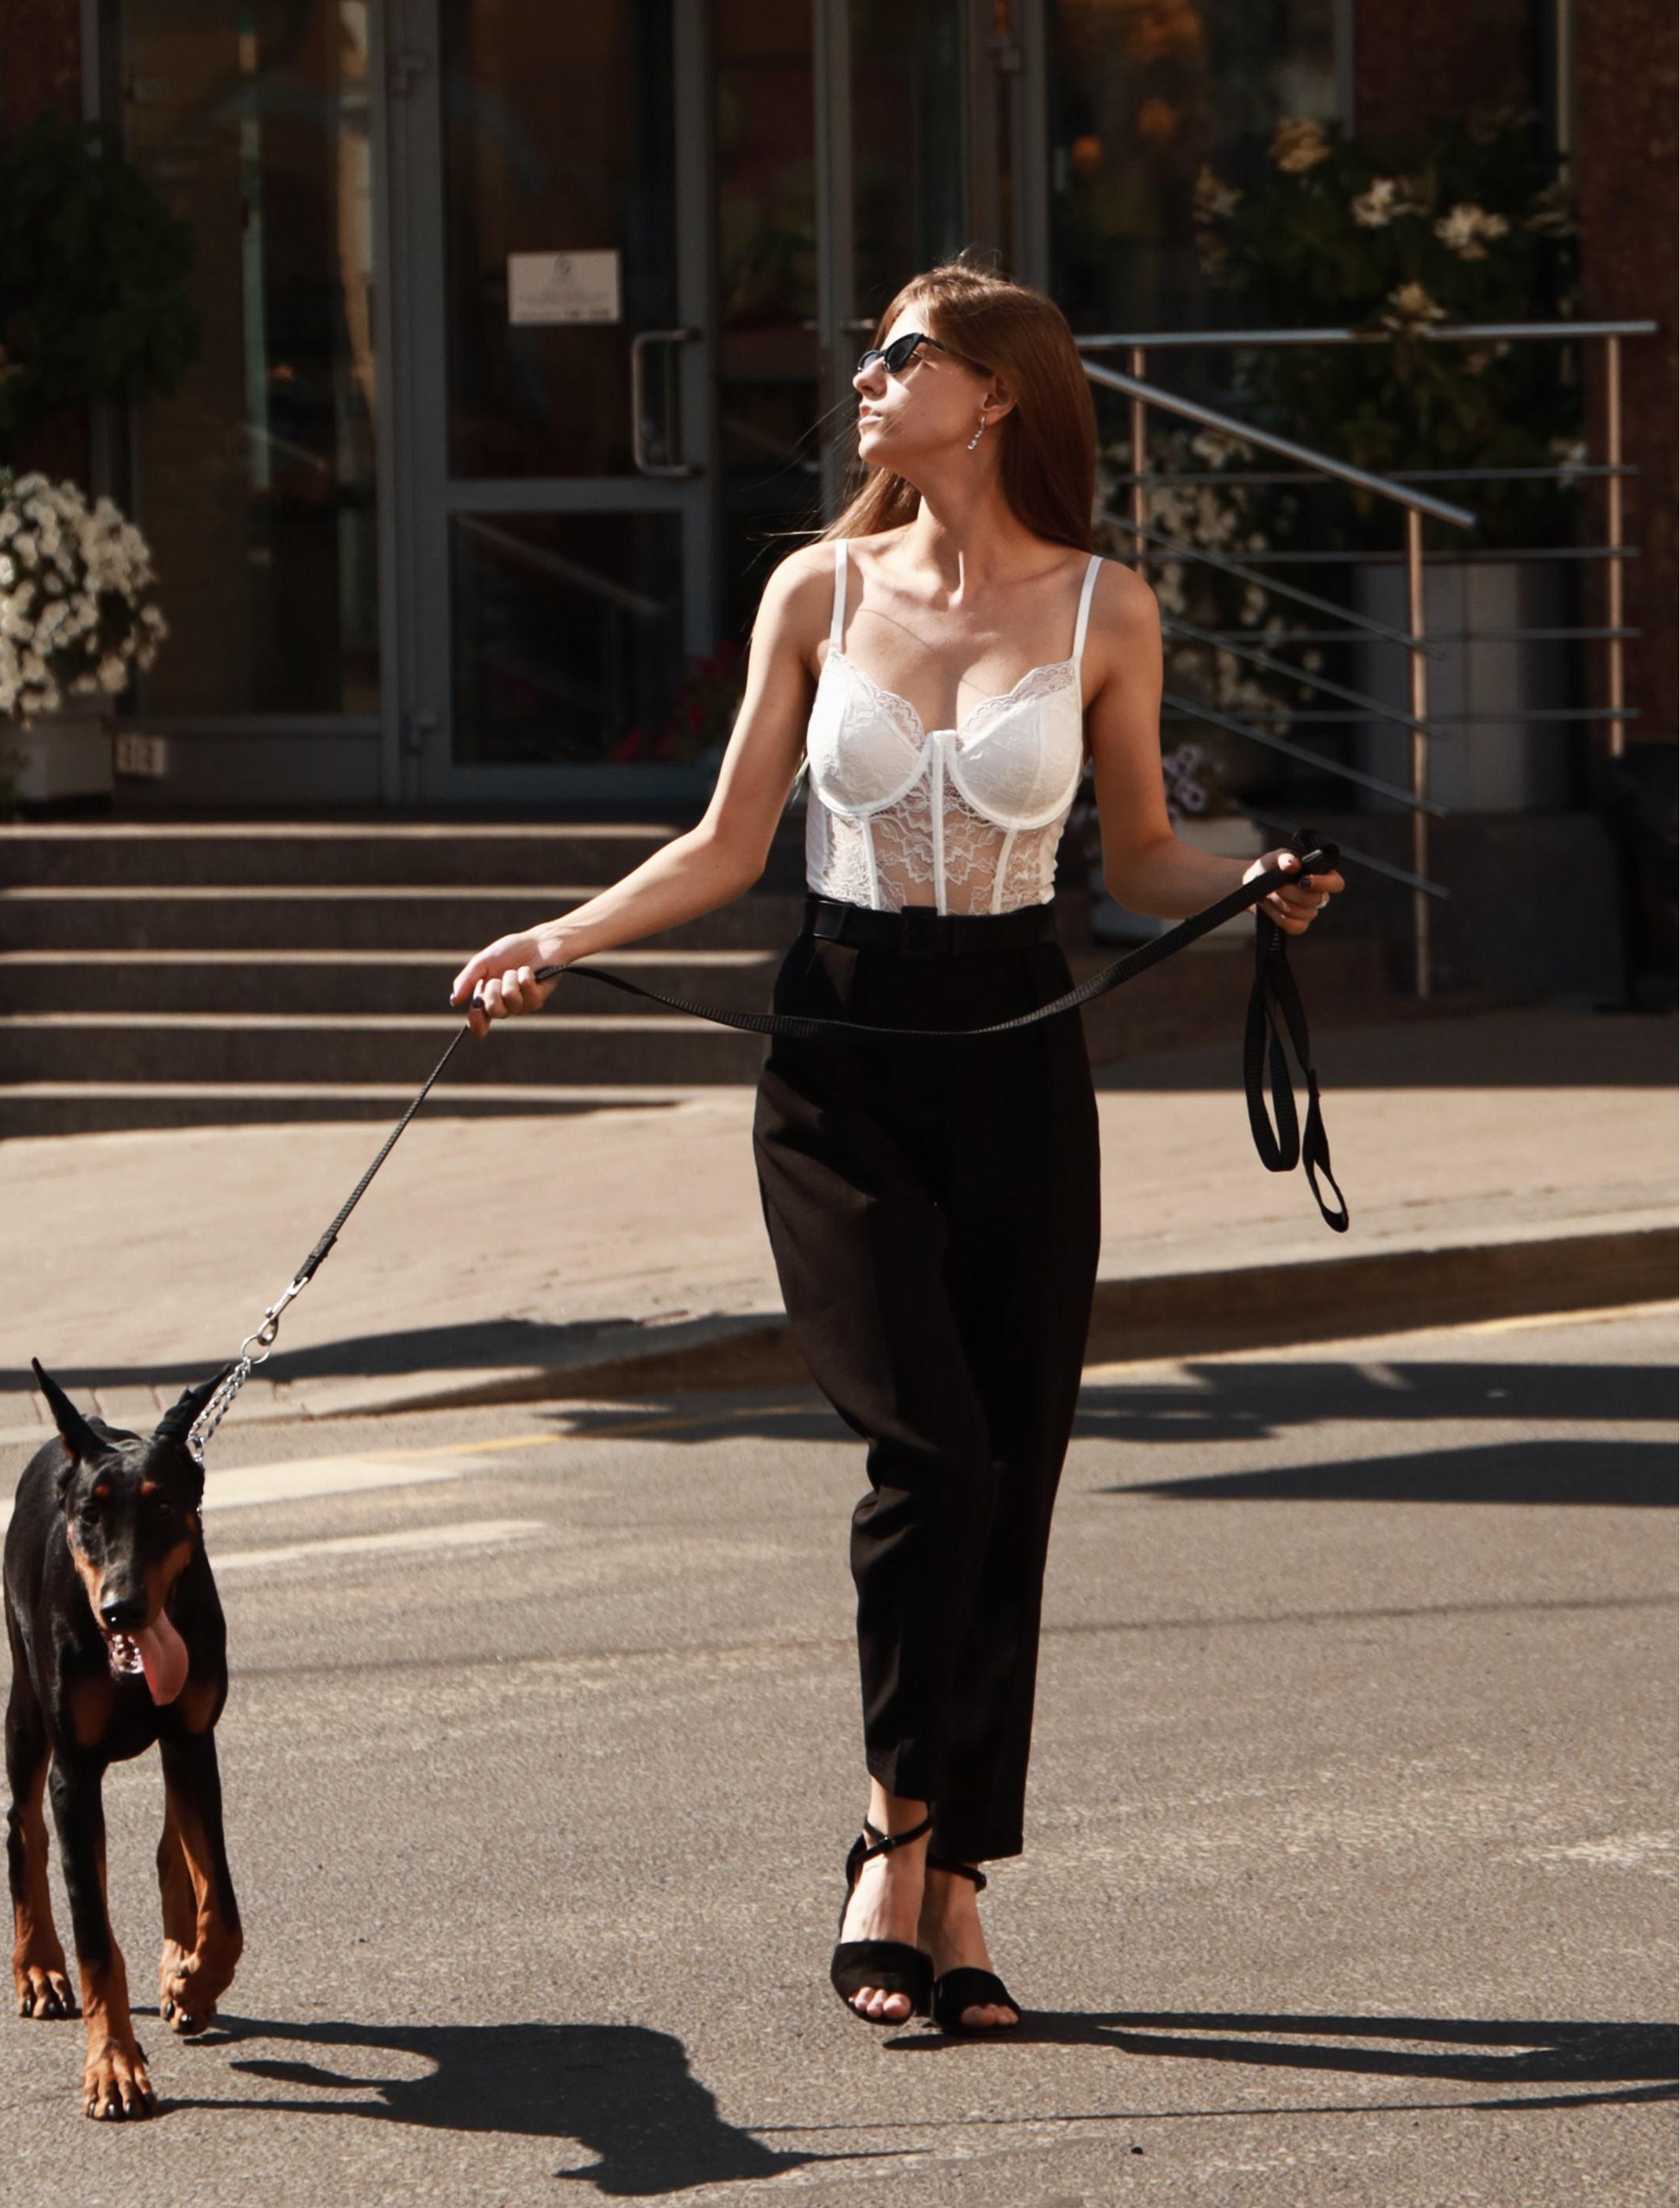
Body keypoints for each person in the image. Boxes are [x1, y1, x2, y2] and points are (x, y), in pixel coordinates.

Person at [451, 262, 1342, 2037]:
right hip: (840, 1056)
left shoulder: (1104, 605)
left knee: (1010, 1472)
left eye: (901, 352)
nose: (864, 377)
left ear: (996, 392)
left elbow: (1136, 857)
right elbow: (726, 843)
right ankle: (893, 1833)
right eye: (869, 354)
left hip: (1016, 1057)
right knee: (928, 1450)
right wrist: (557, 939)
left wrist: (1251, 886)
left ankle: (961, 1886)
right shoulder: (818, 587)